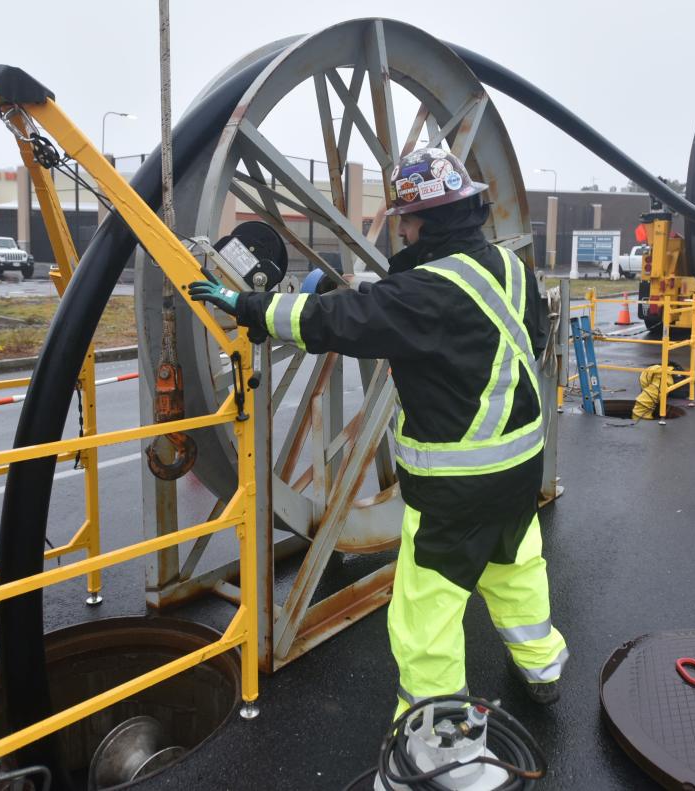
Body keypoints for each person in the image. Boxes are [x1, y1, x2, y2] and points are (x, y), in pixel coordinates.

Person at [189, 148, 568, 717]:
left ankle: (436, 735)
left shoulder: (422, 292)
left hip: (453, 493)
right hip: (518, 471)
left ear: (423, 222)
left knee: (427, 612)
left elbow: (333, 321)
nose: (403, 232)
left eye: (407, 222)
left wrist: (250, 305)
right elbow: (522, 337)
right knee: (516, 569)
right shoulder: (511, 270)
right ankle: (543, 668)